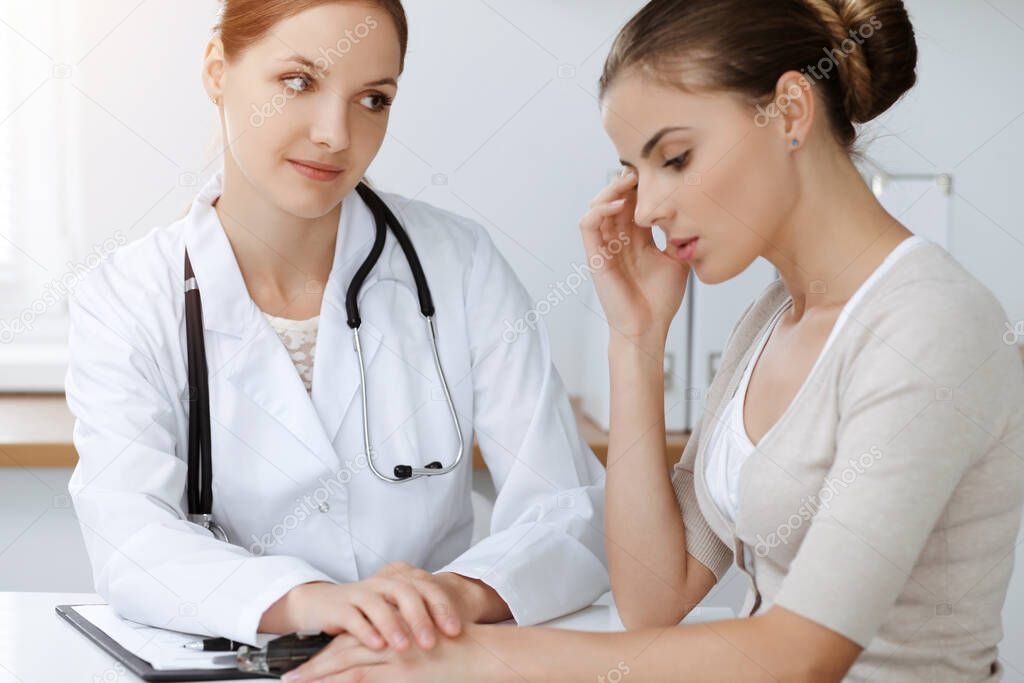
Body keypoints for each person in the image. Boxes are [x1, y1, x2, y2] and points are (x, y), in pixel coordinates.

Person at [282, 1, 1024, 681]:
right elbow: (653, 594)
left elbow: (802, 654)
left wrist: (482, 655)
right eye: (634, 170)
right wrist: (636, 340)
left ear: (791, 110)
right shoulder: (772, 318)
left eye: (674, 158)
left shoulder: (931, 324)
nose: (653, 204)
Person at [65, 0, 609, 653]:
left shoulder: (457, 264)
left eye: (373, 99)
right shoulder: (127, 294)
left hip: (424, 655)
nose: (336, 134)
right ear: (217, 71)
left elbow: (568, 509)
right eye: (298, 82)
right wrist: (311, 600)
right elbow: (132, 539)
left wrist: (451, 594)